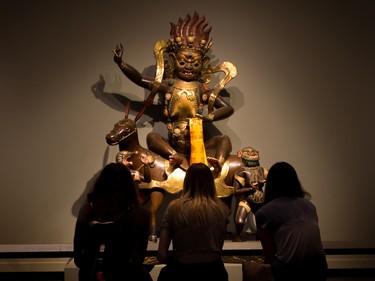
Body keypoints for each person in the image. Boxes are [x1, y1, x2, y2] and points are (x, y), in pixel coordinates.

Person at [113, 12, 236, 172]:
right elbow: (141, 80)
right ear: (172, 60)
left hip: (198, 140)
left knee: (224, 140)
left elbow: (228, 108)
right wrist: (122, 64)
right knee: (152, 138)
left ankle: (218, 162)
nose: (189, 66)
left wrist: (208, 118)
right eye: (183, 61)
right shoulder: (169, 86)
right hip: (172, 140)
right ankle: (173, 156)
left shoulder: (200, 88)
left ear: (203, 63)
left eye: (195, 63)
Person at [249, 162, 327, 281]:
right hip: (319, 268)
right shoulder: (310, 206)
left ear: (270, 184)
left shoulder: (264, 213)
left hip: (288, 271)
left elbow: (270, 256)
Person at [73, 163, 152, 281]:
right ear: (129, 185)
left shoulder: (87, 211)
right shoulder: (140, 214)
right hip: (128, 276)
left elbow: (79, 258)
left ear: (101, 184)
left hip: (91, 274)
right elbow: (139, 256)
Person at [157, 163, 230, 281]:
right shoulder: (221, 209)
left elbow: (162, 255)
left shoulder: (174, 208)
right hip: (215, 272)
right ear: (211, 182)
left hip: (183, 272)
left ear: (187, 181)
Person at [233, 147, 267, 241]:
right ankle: (237, 235)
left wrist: (262, 182)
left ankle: (260, 235)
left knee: (264, 221)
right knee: (239, 222)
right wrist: (250, 189)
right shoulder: (241, 171)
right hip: (247, 200)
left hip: (261, 200)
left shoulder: (262, 170)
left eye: (253, 153)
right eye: (248, 153)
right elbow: (236, 192)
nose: (251, 154)